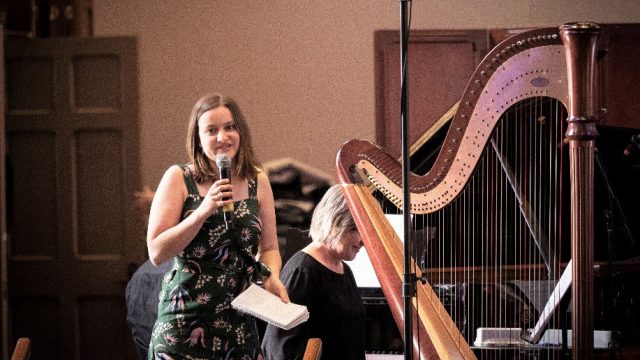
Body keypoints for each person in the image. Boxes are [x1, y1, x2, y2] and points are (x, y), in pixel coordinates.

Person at [146, 93, 289, 359]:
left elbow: (268, 247)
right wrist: (203, 211)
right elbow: (156, 252)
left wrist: (271, 276)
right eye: (212, 130)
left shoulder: (258, 180)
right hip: (184, 323)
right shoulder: (179, 178)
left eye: (229, 127)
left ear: (240, 132)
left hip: (239, 323)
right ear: (198, 139)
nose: (222, 137)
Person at [261, 184, 366, 360]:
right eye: (355, 229)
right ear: (335, 222)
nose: (362, 241)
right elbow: (279, 349)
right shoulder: (302, 271)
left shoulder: (344, 270)